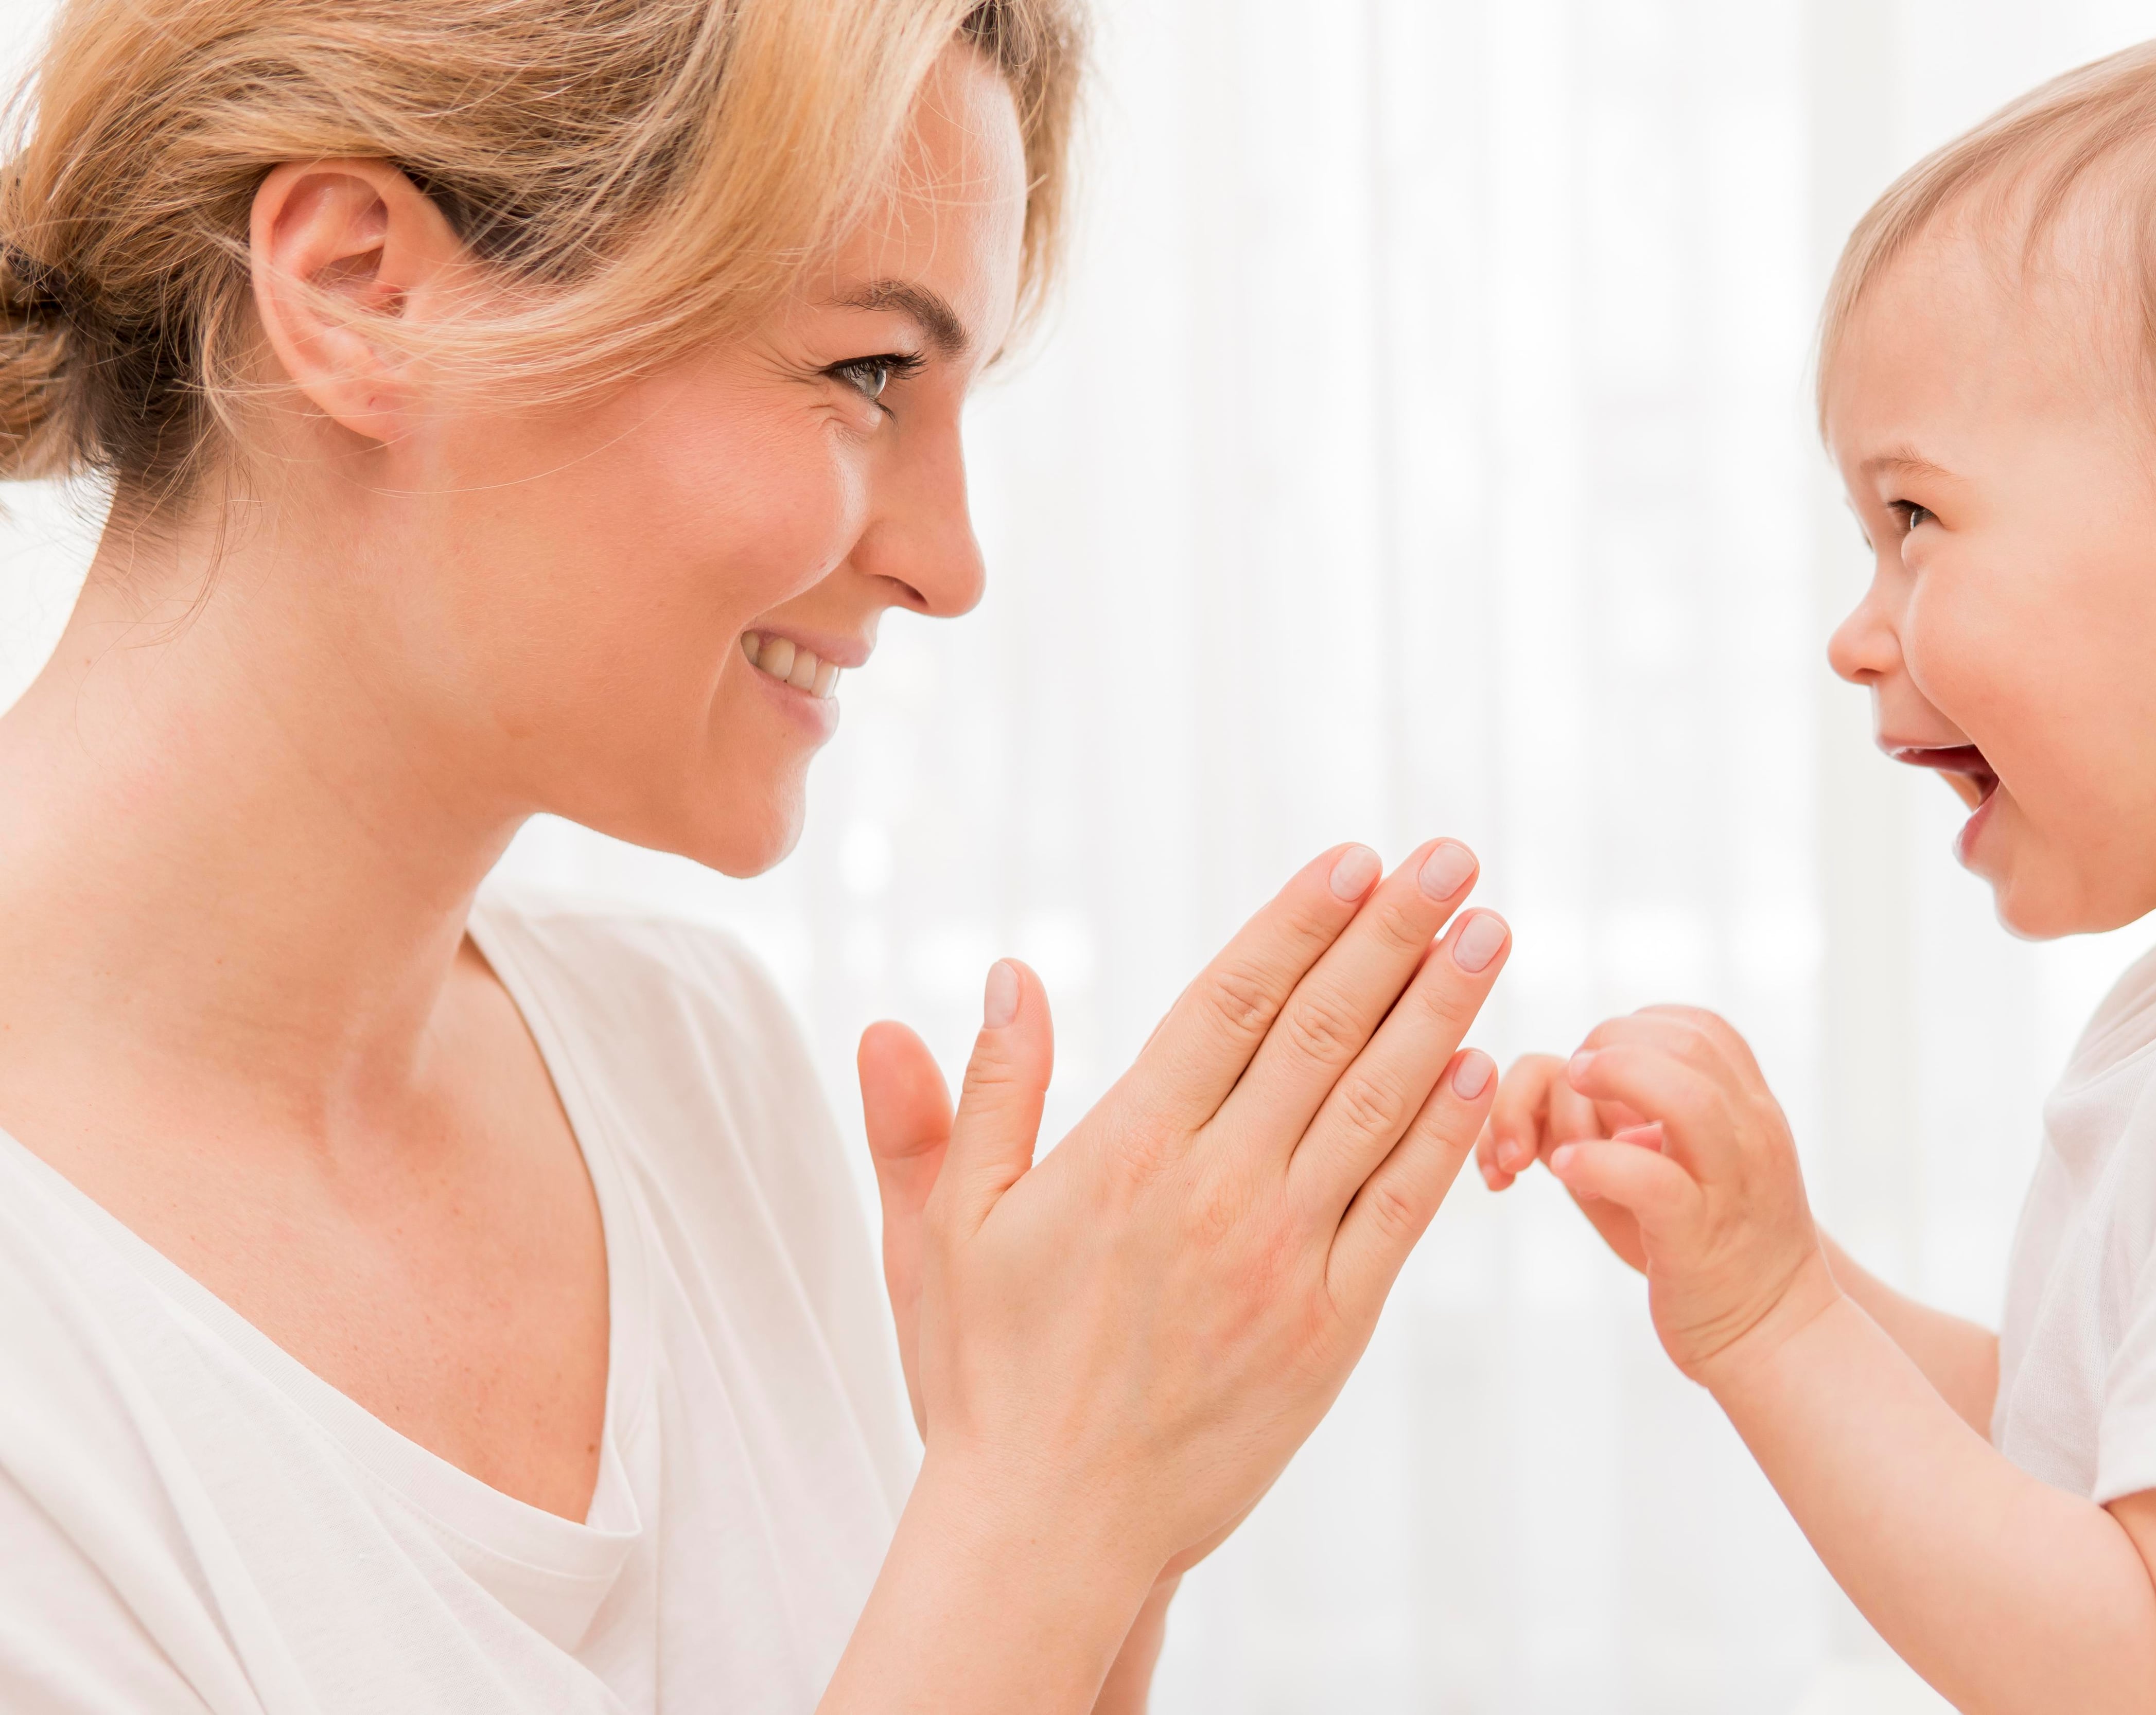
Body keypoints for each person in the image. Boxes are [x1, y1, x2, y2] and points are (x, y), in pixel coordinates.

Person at [0, 2, 1515, 1711]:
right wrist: (1043, 1511)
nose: (951, 565)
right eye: (869, 374)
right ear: (361, 290)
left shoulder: (691, 1063)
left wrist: (1086, 1503)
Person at [1480, 11, 2156, 1712]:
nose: (1857, 635)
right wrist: (1776, 1265)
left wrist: (1774, 1329)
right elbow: (2085, 1451)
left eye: (1914, 520)